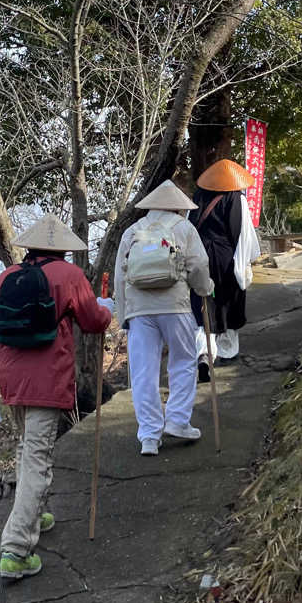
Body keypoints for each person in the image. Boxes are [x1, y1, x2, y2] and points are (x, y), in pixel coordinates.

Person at [0, 214, 111, 582]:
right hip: (47, 379)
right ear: (63, 249)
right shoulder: (69, 276)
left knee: (26, 447)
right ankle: (16, 549)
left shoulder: (6, 277)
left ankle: (34, 512)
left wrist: (0, 370)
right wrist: (108, 309)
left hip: (12, 379)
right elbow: (93, 320)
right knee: (38, 456)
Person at [114, 179, 213, 456]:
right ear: (178, 208)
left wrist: (124, 317)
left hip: (139, 309)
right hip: (175, 305)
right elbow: (199, 266)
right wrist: (205, 289)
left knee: (143, 372)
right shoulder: (184, 228)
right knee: (183, 361)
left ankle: (148, 435)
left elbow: (121, 277)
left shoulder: (132, 231)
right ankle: (178, 421)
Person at [189, 158, 262, 378]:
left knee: (203, 303)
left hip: (201, 255)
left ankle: (203, 353)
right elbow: (243, 233)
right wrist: (246, 261)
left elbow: (189, 227)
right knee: (228, 302)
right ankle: (229, 352)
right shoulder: (236, 198)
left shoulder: (198, 196)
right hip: (226, 258)